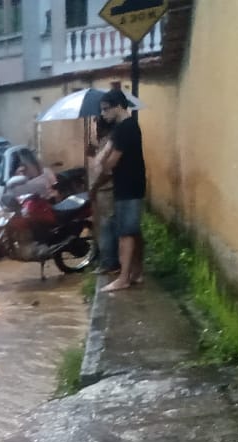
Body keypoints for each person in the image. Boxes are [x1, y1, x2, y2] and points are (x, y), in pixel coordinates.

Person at [91, 88, 145, 292]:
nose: (103, 114)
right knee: (133, 232)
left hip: (129, 187)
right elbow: (109, 147)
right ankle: (137, 272)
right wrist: (99, 158)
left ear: (119, 107)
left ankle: (123, 278)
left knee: (126, 233)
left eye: (106, 109)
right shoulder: (122, 127)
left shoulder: (127, 128)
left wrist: (100, 169)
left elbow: (112, 161)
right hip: (131, 185)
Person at [88, 115, 121, 275]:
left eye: (95, 124)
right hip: (103, 191)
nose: (94, 128)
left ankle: (109, 263)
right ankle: (107, 261)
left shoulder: (110, 142)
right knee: (105, 226)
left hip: (106, 190)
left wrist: (94, 187)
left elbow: (107, 171)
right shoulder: (103, 143)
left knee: (107, 227)